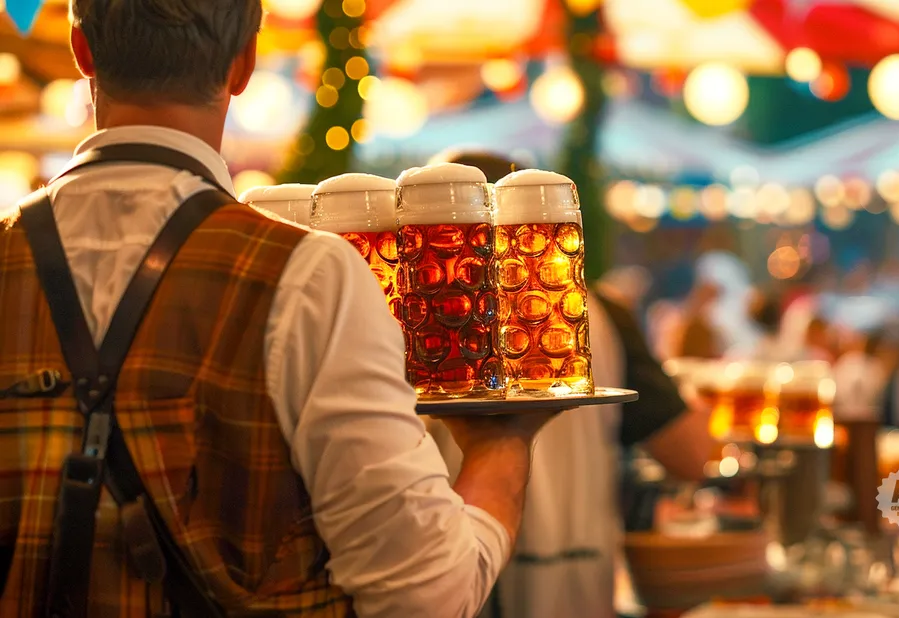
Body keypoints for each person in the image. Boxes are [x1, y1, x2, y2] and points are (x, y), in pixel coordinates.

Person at [0, 3, 552, 616]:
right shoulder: (310, 274)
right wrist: (503, 444)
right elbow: (425, 596)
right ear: (244, 64)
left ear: (82, 51)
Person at [426, 149, 714, 618]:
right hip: (568, 576)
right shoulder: (601, 314)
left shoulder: (410, 312)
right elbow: (692, 455)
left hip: (444, 575)